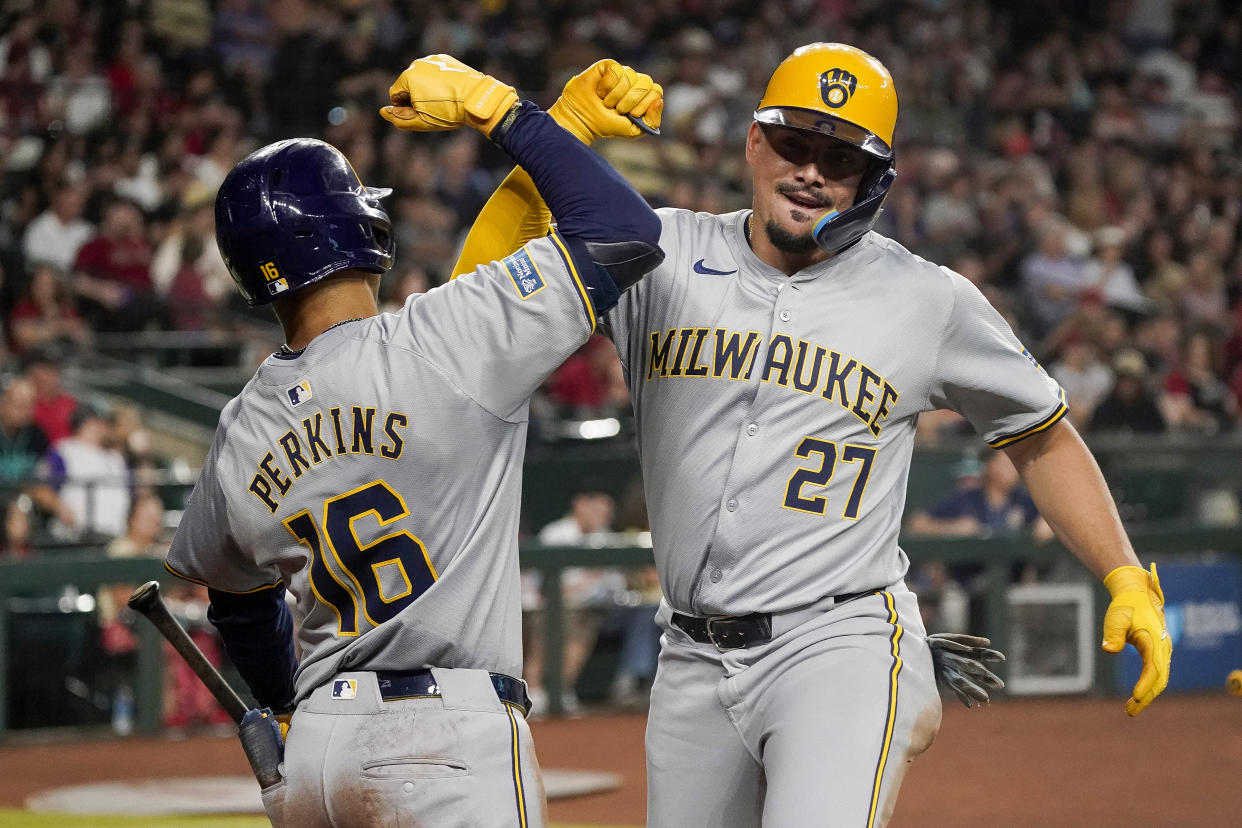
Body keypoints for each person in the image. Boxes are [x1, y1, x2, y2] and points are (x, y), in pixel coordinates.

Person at [457, 43, 1172, 828]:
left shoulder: (927, 300)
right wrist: (552, 143)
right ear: (754, 143)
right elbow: (475, 313)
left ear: (874, 181)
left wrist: (1124, 573)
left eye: (841, 159)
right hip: (690, 654)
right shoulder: (659, 251)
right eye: (794, 144)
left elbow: (1041, 434)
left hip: (838, 641)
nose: (811, 173)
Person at [161, 55, 665, 828]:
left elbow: (236, 602)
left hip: (322, 755)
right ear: (359, 225)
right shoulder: (438, 346)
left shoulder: (240, 426)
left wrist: (281, 702)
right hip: (444, 736)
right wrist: (507, 111)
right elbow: (624, 226)